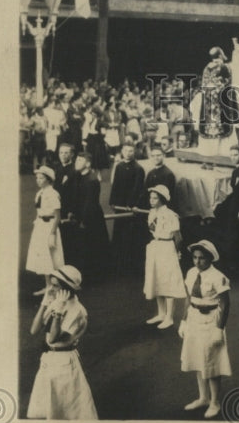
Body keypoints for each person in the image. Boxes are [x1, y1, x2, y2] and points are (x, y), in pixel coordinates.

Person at [26, 265, 98, 421]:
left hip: (64, 364)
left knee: (68, 409)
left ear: (67, 288)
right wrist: (45, 304)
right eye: (51, 284)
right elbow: (34, 329)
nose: (51, 289)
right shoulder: (56, 301)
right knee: (49, 407)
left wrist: (58, 313)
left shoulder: (77, 311)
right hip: (49, 360)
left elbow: (52, 338)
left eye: (55, 285)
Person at [179, 240, 231, 419]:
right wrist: (183, 321)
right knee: (197, 358)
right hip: (194, 319)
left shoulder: (218, 276)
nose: (197, 262)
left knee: (211, 362)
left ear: (210, 258)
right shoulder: (191, 273)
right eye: (194, 258)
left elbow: (225, 303)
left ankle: (215, 402)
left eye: (201, 258)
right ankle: (203, 398)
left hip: (211, 321)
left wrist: (219, 328)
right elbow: (189, 298)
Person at [143, 185, 185, 329]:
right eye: (151, 197)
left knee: (168, 282)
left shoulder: (170, 215)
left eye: (155, 198)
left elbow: (178, 237)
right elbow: (153, 230)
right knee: (157, 280)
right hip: (155, 247)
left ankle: (169, 317)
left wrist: (179, 252)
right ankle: (161, 314)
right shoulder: (151, 213)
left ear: (162, 199)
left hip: (167, 248)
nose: (151, 200)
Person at [108, 141, 146, 277]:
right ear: (122, 152)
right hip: (119, 205)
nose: (128, 153)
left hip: (129, 208)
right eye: (126, 151)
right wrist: (112, 201)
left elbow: (137, 189)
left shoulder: (138, 169)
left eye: (131, 151)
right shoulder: (119, 166)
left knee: (129, 237)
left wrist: (130, 204)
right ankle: (117, 264)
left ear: (134, 152)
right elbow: (115, 185)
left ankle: (130, 267)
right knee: (118, 234)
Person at [70, 151, 110, 280]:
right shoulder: (78, 175)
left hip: (91, 217)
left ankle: (92, 276)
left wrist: (83, 221)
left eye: (80, 161)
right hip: (81, 214)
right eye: (76, 160)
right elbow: (76, 197)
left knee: (91, 246)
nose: (77, 163)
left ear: (88, 164)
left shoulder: (92, 180)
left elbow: (90, 203)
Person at [25, 165, 64, 281]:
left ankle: (54, 285)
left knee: (52, 256)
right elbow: (39, 210)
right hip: (41, 226)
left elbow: (57, 216)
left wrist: (52, 233)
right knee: (42, 255)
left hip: (50, 226)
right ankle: (48, 285)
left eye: (41, 178)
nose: (38, 180)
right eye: (37, 178)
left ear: (48, 179)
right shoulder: (40, 193)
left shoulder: (53, 194)